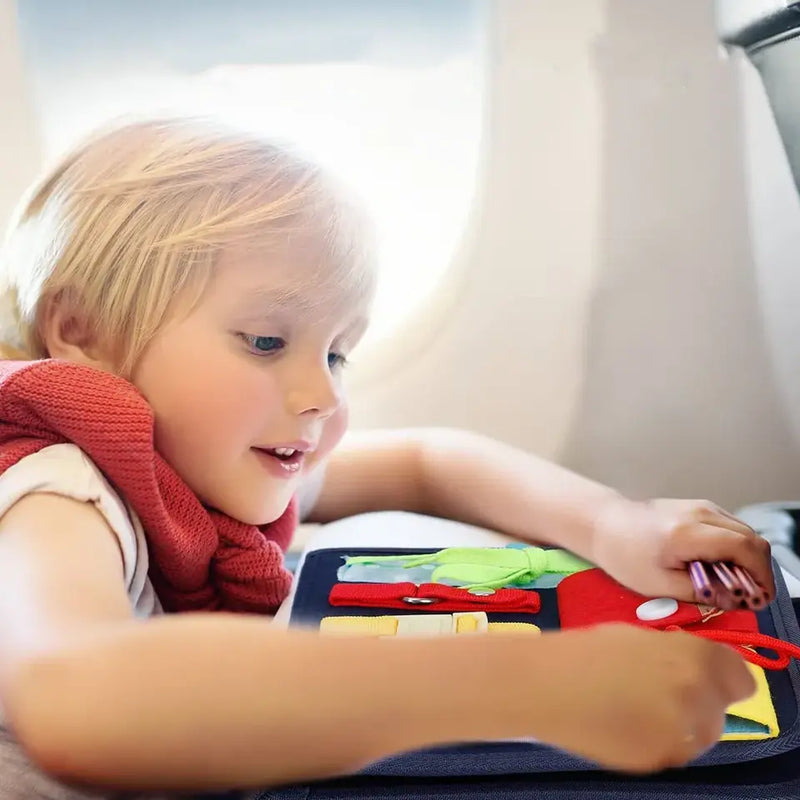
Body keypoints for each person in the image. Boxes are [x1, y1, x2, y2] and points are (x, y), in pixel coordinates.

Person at [0, 117, 771, 797]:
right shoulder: (58, 494)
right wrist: (528, 686)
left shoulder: (196, 474)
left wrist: (615, 525)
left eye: (338, 355)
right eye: (266, 341)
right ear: (83, 333)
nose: (321, 396)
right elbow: (74, 696)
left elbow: (429, 462)